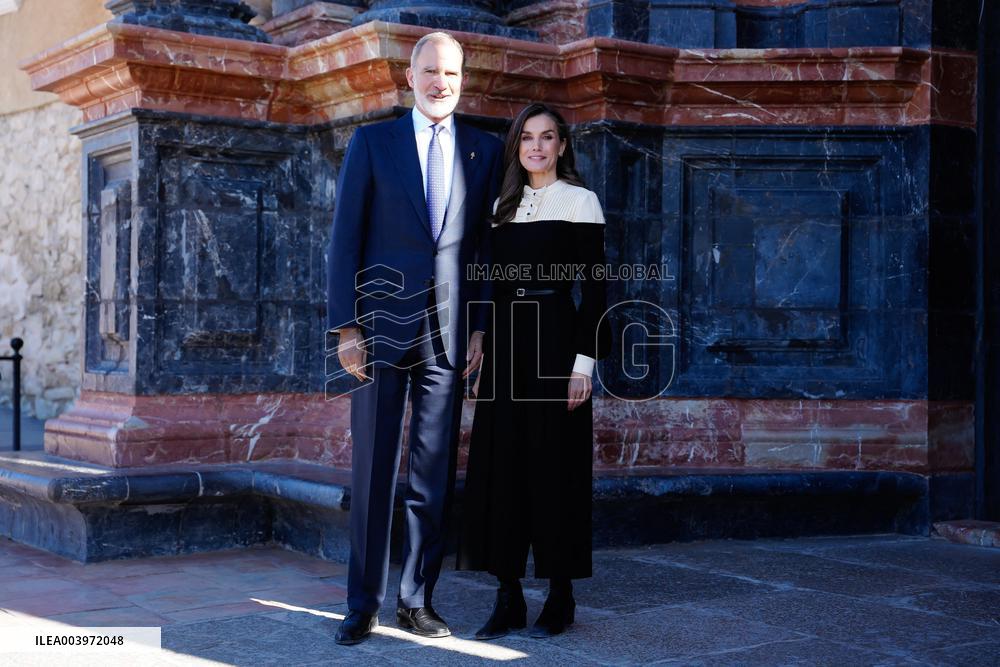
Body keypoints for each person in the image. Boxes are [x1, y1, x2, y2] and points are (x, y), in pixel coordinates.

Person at [326, 31, 503, 645]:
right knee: (373, 472)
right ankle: (361, 603)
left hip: (448, 334)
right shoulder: (373, 143)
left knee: (432, 475)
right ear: (410, 76)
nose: (440, 84)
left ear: (462, 81)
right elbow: (345, 239)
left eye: (451, 75)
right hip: (377, 331)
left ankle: (417, 599)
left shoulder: (485, 150)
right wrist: (346, 326)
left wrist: (479, 322)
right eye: (430, 72)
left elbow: (481, 248)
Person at [457, 103, 610, 639]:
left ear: (563, 146)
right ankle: (508, 597)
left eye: (548, 138)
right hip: (503, 343)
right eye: (527, 138)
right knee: (502, 470)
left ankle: (561, 595)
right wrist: (478, 337)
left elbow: (594, 292)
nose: (537, 147)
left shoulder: (581, 201)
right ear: (516, 146)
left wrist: (582, 367)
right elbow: (490, 284)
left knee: (555, 469)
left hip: (555, 342)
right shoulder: (501, 204)